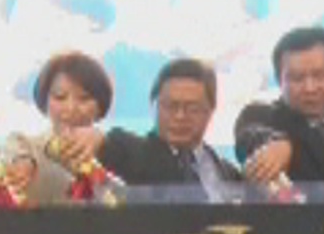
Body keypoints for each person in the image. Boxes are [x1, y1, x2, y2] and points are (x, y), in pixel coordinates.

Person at [235, 27, 324, 198]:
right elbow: (248, 138)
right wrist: (280, 144)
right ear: (280, 81)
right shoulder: (261, 116)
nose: (310, 88)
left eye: (319, 75)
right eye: (297, 78)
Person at [98, 58, 244, 203]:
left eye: (192, 109)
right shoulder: (131, 155)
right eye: (170, 106)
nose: (180, 116)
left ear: (210, 111)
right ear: (155, 106)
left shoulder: (227, 174)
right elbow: (110, 146)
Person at [0, 52, 114, 207]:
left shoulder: (115, 155)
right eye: (60, 97)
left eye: (84, 98)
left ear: (100, 105)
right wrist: (21, 165)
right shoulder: (26, 148)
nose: (71, 108)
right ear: (45, 101)